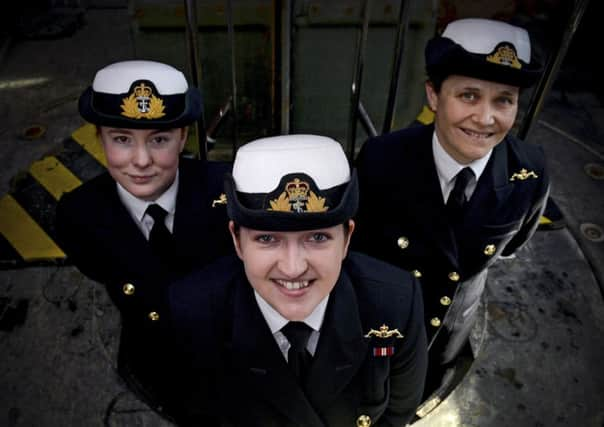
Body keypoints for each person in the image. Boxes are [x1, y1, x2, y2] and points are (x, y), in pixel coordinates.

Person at [169, 135, 427, 426]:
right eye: (267, 239)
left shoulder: (394, 304)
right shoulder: (193, 314)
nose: (293, 268)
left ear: (346, 239)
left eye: (318, 238)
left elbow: (396, 414)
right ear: (237, 241)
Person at [353, 18, 550, 399]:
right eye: (469, 96)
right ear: (433, 96)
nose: (485, 118)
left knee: (429, 389)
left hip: (450, 332)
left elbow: (511, 246)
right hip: (385, 327)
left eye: (503, 100)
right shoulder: (382, 160)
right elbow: (359, 251)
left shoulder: (530, 171)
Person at [55, 60, 233, 418]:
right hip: (153, 357)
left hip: (228, 354)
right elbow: (97, 266)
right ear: (99, 138)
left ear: (183, 137)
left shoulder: (227, 192)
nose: (141, 160)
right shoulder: (79, 214)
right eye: (121, 139)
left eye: (160, 139)